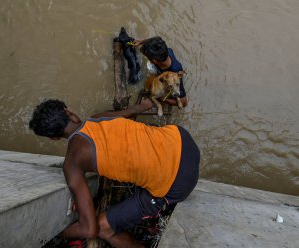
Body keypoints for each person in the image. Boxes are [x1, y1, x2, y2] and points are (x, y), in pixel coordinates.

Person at [29, 98, 200, 248]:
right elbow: (132, 111)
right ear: (70, 114)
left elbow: (89, 230)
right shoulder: (98, 118)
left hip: (180, 182)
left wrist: (56, 233)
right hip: (182, 139)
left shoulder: (72, 163)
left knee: (103, 228)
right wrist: (145, 105)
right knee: (143, 133)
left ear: (53, 138)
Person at [133, 36, 188, 108]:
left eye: (148, 57)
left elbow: (184, 103)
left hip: (166, 77)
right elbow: (156, 41)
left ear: (154, 61)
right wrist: (141, 42)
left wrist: (162, 99)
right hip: (160, 70)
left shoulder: (175, 74)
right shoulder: (164, 50)